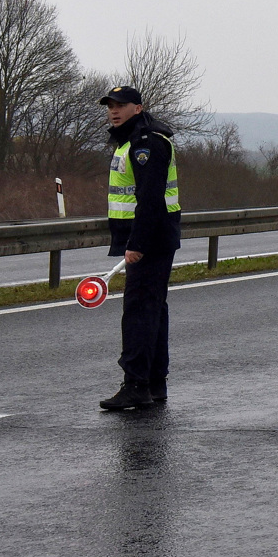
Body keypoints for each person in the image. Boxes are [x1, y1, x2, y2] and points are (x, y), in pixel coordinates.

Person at [98, 86, 182, 410]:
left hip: (149, 239)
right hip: (150, 237)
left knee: (139, 312)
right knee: (153, 310)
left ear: (138, 108)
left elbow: (150, 197)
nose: (114, 110)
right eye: (110, 105)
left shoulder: (147, 142)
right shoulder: (131, 140)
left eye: (121, 105)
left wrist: (137, 243)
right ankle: (154, 383)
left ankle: (135, 384)